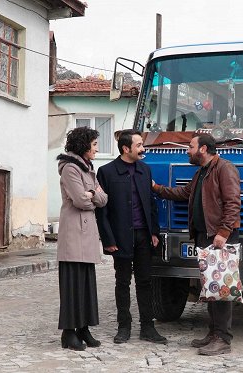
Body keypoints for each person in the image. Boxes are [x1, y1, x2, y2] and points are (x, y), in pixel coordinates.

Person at [152, 133, 241, 356]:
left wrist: (223, 232)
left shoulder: (224, 168)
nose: (187, 151)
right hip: (205, 235)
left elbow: (233, 202)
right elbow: (184, 193)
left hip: (219, 237)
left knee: (220, 289)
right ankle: (213, 333)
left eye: (190, 147)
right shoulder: (202, 171)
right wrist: (155, 187)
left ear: (203, 149)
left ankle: (223, 340)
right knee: (210, 287)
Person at [96, 129, 168, 345]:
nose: (143, 149)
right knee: (122, 282)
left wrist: (154, 231)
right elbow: (102, 211)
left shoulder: (145, 170)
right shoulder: (106, 172)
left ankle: (148, 327)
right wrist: (108, 240)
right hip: (120, 238)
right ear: (126, 148)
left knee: (145, 282)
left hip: (144, 236)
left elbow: (151, 203)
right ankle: (123, 327)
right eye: (138, 145)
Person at [56, 127, 108, 351]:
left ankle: (84, 328)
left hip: (87, 234)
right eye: (95, 145)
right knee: (72, 285)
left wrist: (92, 195)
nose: (97, 149)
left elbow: (104, 199)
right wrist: (90, 196)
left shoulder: (88, 169)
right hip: (74, 233)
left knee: (86, 284)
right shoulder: (70, 169)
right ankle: (68, 333)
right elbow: (80, 201)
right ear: (84, 145)